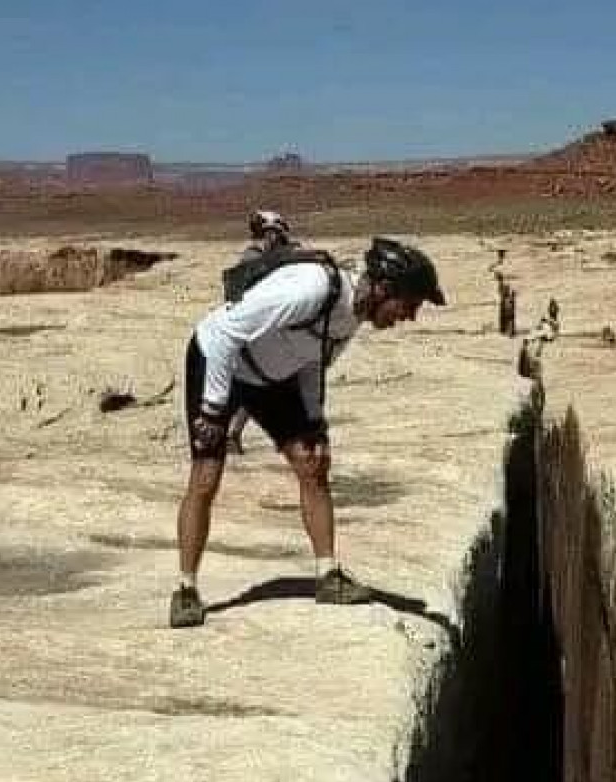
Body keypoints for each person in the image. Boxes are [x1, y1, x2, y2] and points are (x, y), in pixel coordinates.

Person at [170, 237, 446, 627]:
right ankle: (185, 590)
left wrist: (314, 420)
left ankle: (328, 575)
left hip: (271, 378)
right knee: (206, 475)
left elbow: (311, 361)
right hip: (221, 361)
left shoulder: (350, 316)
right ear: (386, 289)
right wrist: (214, 411)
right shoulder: (311, 288)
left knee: (314, 463)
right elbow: (230, 333)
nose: (409, 316)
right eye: (410, 305)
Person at [225, 212, 294, 454]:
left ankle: (232, 432)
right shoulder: (255, 257)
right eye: (278, 234)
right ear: (270, 232)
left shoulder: (259, 256)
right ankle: (231, 433)